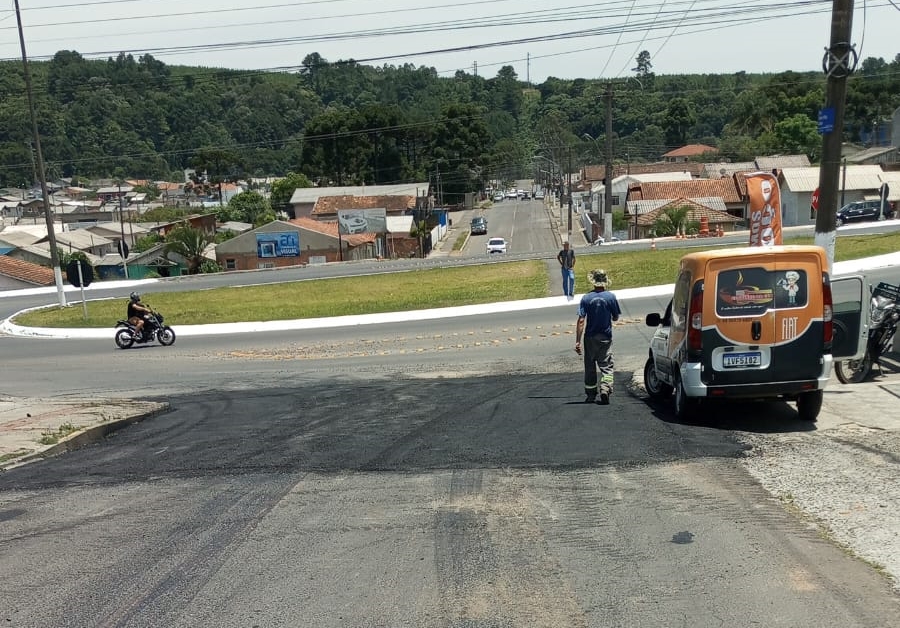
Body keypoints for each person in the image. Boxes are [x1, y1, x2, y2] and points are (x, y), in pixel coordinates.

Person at [574, 269, 621, 405]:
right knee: (606, 365)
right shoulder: (610, 297)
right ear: (605, 282)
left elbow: (581, 320)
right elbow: (616, 316)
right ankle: (605, 389)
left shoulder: (586, 298)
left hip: (590, 337)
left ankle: (590, 394)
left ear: (593, 282)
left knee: (590, 365)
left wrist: (577, 341)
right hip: (605, 336)